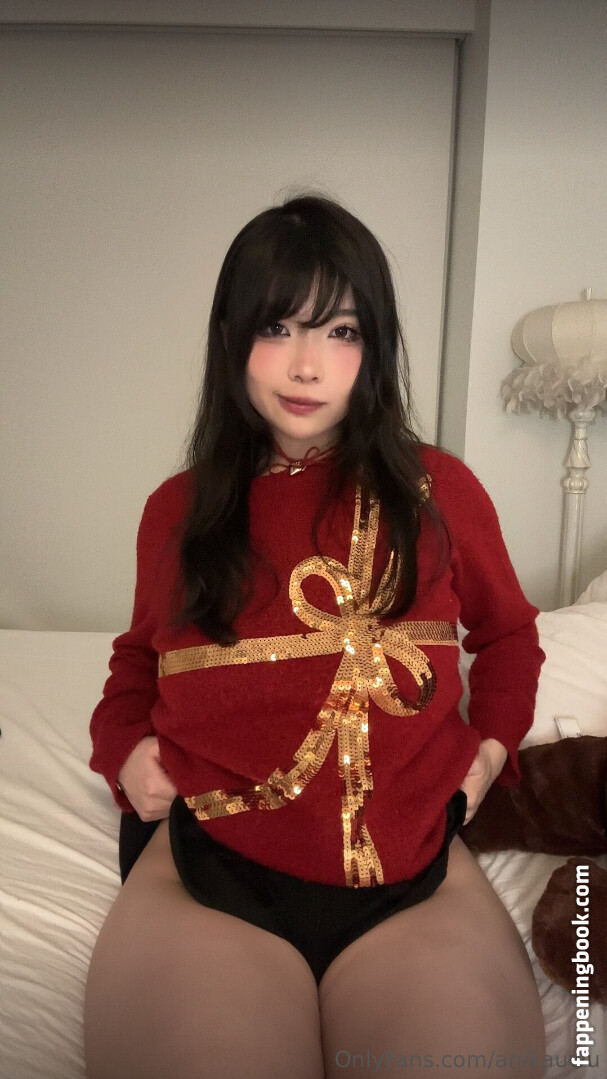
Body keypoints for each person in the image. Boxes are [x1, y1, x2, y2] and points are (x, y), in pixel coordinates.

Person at [84, 195, 547, 1079]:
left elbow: (510, 636)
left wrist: (489, 751)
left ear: (374, 346)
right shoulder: (178, 510)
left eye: (340, 331)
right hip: (210, 870)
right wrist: (123, 751)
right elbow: (139, 658)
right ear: (231, 337)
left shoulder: (438, 490)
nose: (306, 364)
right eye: (277, 327)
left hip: (410, 874)